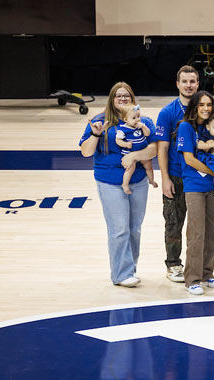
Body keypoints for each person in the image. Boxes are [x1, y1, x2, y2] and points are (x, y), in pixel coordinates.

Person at [79, 82, 157, 287]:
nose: (123, 99)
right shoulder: (100, 121)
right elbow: (86, 152)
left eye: (126, 95)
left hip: (138, 180)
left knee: (134, 229)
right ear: (111, 99)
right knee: (119, 229)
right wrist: (96, 134)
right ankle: (121, 274)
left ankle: (130, 269)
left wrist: (134, 156)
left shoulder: (143, 121)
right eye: (118, 96)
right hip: (110, 181)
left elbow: (154, 149)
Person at [175, 90, 214, 295]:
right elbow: (189, 159)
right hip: (194, 185)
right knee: (196, 232)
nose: (206, 108)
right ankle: (192, 279)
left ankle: (207, 273)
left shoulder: (213, 126)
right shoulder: (186, 127)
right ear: (194, 106)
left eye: (209, 105)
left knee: (213, 231)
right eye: (201, 104)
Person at [155, 65, 198, 283]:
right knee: (173, 223)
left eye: (192, 81)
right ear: (177, 84)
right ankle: (173, 264)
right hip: (176, 176)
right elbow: (162, 148)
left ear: (197, 84)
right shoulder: (167, 113)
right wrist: (165, 178)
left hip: (199, 176)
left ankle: (197, 265)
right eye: (185, 82)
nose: (188, 85)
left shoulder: (204, 108)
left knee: (198, 225)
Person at [114, 104, 157, 195]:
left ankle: (151, 180)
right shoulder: (123, 129)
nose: (137, 119)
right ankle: (125, 184)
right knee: (130, 168)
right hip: (129, 153)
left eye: (138, 116)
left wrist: (144, 127)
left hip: (142, 152)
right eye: (134, 118)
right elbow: (118, 140)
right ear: (126, 119)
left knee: (148, 166)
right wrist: (125, 144)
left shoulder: (141, 126)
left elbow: (147, 134)